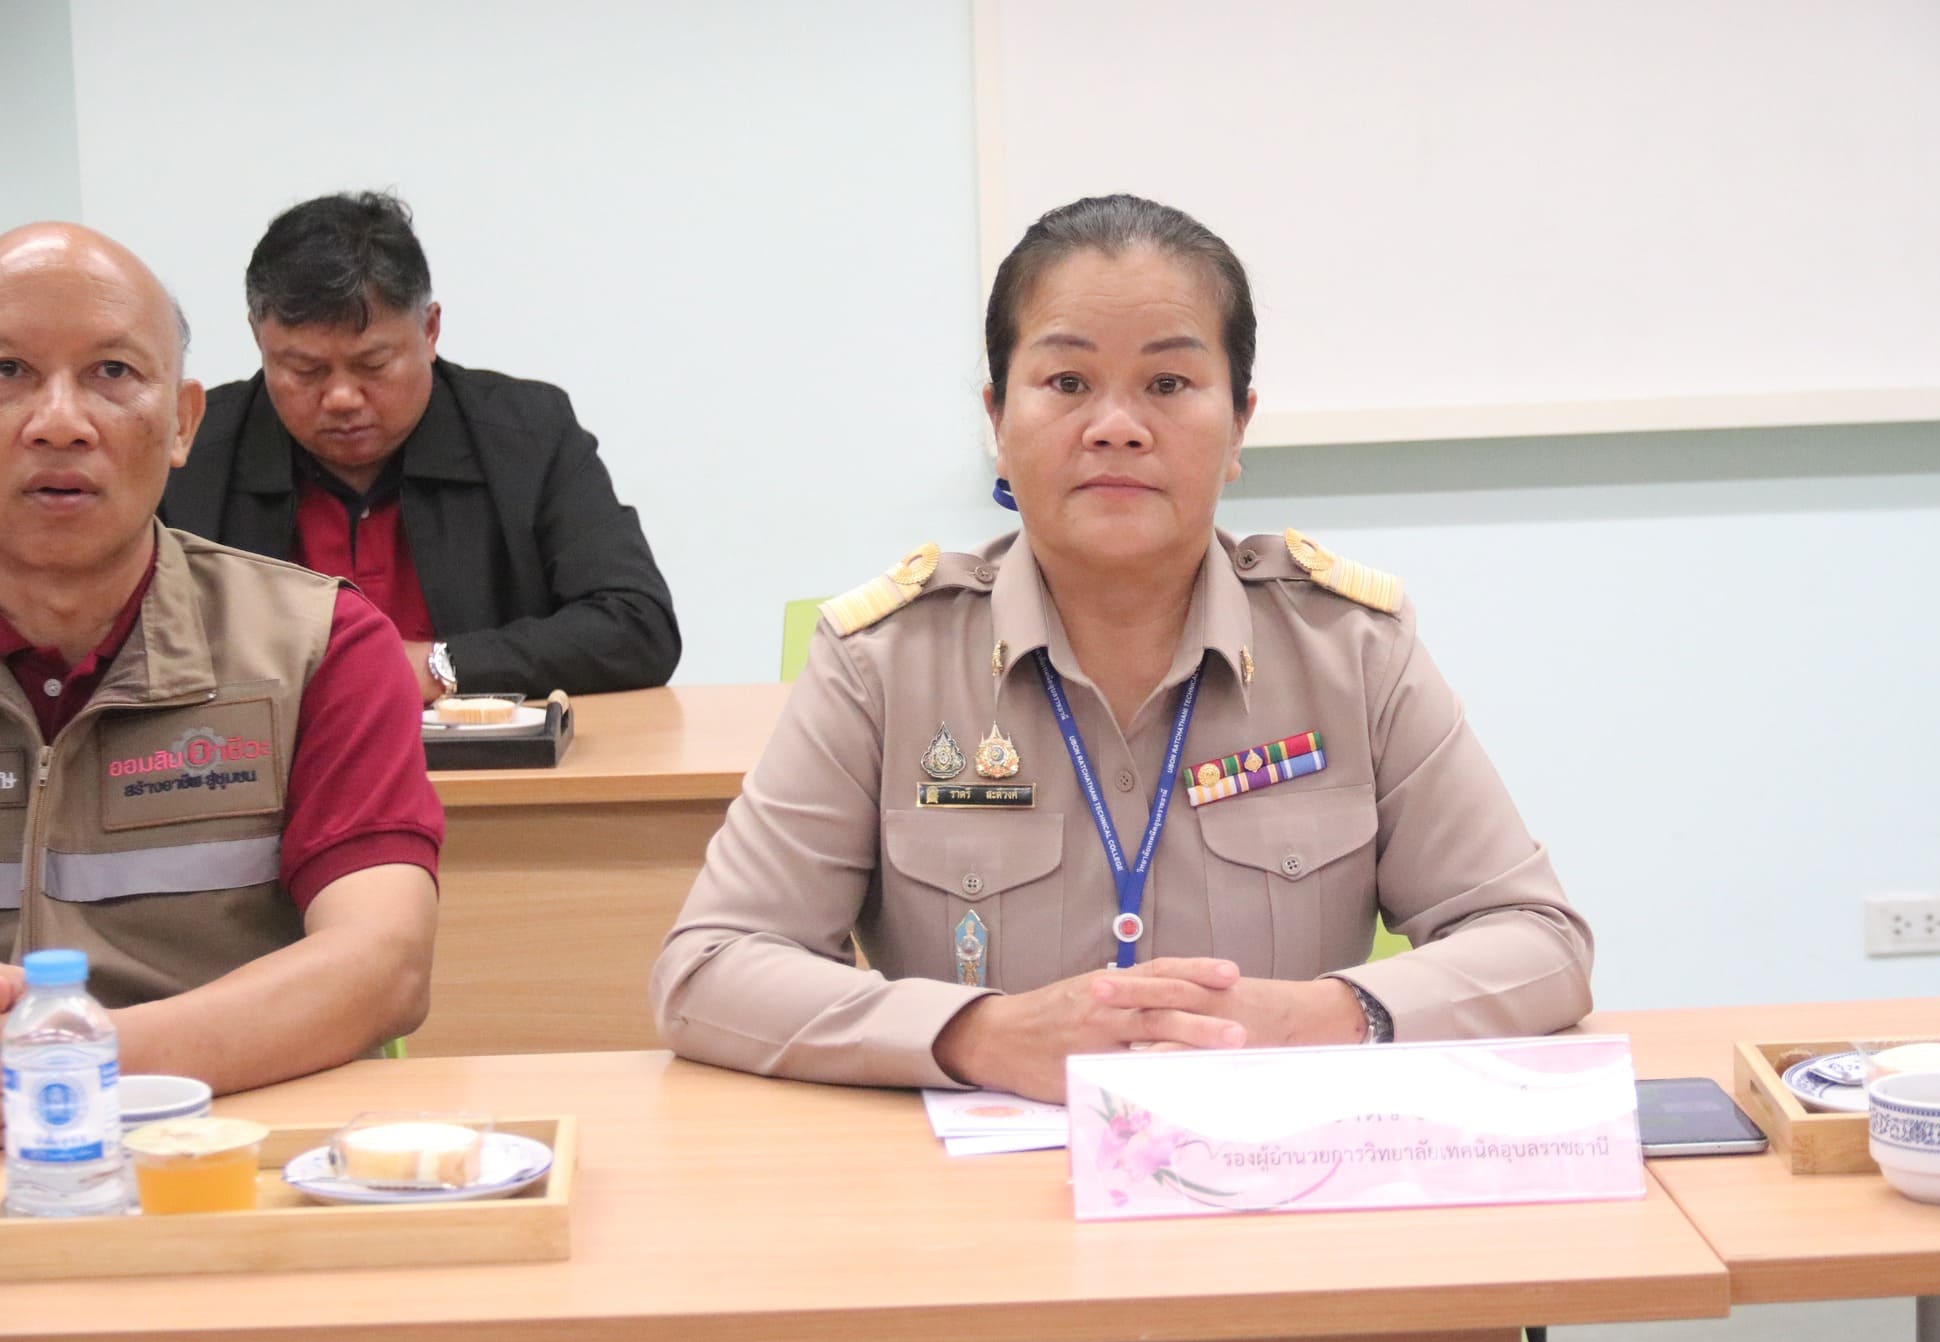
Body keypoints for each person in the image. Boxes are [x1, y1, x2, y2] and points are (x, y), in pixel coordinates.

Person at [650, 195, 1592, 1103]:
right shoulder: (884, 662)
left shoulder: (1350, 647)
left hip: (1276, 1169)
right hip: (974, 1185)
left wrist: (1313, 1018)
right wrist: (980, 1035)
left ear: (1240, 424)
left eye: (1168, 385)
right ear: (997, 420)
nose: (1117, 426)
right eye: (1067, 384)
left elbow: (1538, 941)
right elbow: (710, 966)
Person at [0, 221, 442, 1108]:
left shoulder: (320, 644)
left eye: (112, 371)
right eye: (7, 371)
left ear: (182, 423)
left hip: (217, 1135)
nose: (59, 422)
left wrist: (64, 1063)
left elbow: (383, 963)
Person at [160, 191, 680, 702]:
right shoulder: (189, 449)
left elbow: (637, 625)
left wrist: (441, 666)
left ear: (429, 331)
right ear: (259, 338)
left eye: (372, 365)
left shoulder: (527, 435)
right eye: (305, 370)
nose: (341, 397)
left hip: (483, 756)